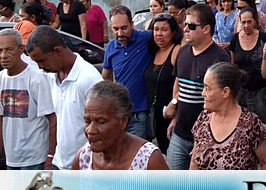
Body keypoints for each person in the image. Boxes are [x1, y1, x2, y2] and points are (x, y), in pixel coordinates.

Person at [25, 26, 102, 170]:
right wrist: (50, 156)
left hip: (85, 166)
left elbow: (103, 128)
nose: (40, 67)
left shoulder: (89, 79)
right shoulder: (50, 77)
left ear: (58, 51)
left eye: (42, 61)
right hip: (58, 163)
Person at [164, 4, 229, 170]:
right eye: (185, 24)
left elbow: (222, 103)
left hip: (207, 137)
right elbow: (178, 82)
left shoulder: (219, 58)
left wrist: (206, 138)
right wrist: (175, 116)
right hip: (179, 133)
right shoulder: (183, 52)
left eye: (191, 26)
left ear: (206, 29)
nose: (185, 29)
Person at [190, 62, 266, 170]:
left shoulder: (250, 124)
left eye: (208, 88)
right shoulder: (203, 119)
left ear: (225, 92)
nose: (203, 93)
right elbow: (194, 162)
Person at [72, 81, 168, 170]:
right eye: (87, 121)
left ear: (123, 120)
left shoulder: (149, 161)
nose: (90, 130)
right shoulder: (83, 159)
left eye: (101, 121)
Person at [0, 29, 57, 170]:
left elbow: (52, 119)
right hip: (11, 158)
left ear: (21, 50)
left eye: (9, 50)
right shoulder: (1, 78)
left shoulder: (37, 79)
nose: (3, 56)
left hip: (35, 158)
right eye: (0, 50)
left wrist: (50, 156)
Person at [102, 6, 153, 139]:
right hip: (118, 113)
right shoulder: (110, 48)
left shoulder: (146, 38)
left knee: (136, 155)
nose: (120, 33)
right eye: (115, 29)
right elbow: (104, 79)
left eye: (124, 28)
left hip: (139, 113)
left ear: (132, 24)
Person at [144, 12, 182, 155]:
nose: (159, 34)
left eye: (164, 30)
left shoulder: (176, 51)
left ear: (173, 32)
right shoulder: (152, 51)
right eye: (156, 29)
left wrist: (174, 102)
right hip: (155, 115)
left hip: (171, 115)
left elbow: (185, 82)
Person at [230, 6, 266, 125]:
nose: (246, 25)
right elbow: (233, 64)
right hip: (242, 91)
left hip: (261, 91)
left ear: (255, 21)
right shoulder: (235, 39)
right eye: (243, 22)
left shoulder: (265, 39)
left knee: (263, 125)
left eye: (249, 21)